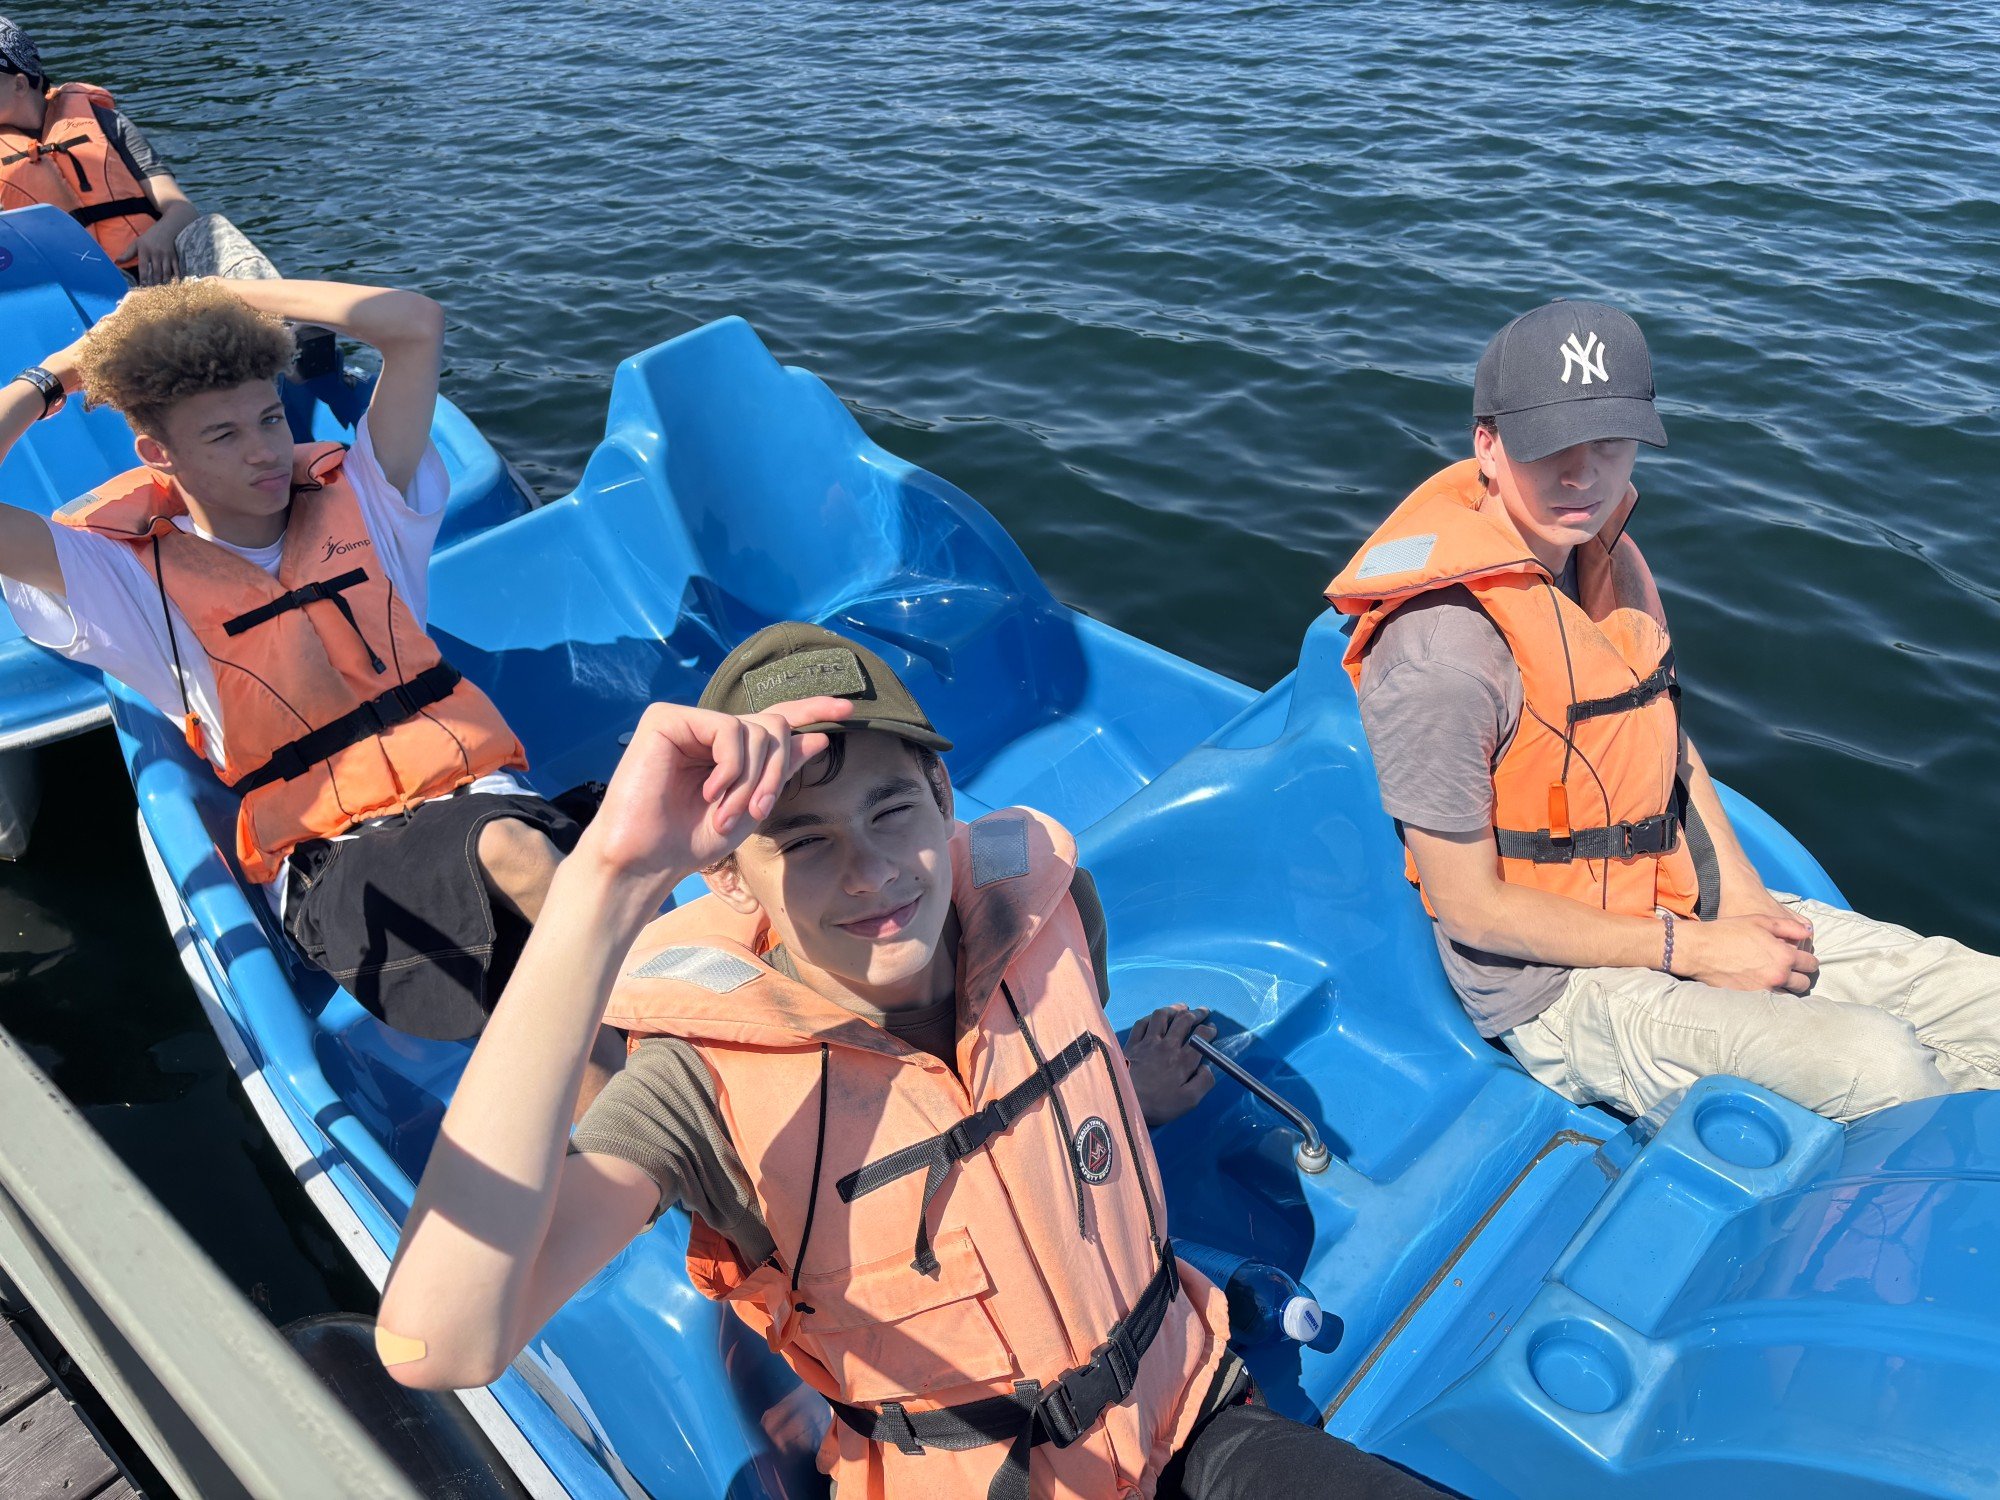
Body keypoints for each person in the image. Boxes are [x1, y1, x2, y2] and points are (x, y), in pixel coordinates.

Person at [378, 624, 1444, 1500]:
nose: (872, 870)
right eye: (804, 841)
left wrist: (1126, 1093)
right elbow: (439, 1344)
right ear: (733, 880)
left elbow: (1035, 1098)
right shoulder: (691, 1092)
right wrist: (606, 882)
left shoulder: (1051, 911)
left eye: (891, 807)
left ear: (943, 797)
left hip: (1189, 1416)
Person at [1327, 299, 2000, 1125]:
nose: (1583, 476)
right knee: (1884, 1067)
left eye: (1610, 442)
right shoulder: (1442, 654)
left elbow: (1664, 741)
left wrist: (1743, 897)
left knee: (1987, 1001)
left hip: (1669, 899)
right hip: (1557, 988)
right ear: (1489, 447)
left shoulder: (1593, 556)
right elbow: (1473, 907)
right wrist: (1696, 949)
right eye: (1551, 445)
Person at [0, 277, 623, 1106]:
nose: (263, 450)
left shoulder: (368, 497)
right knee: (519, 862)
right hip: (337, 857)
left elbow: (414, 324)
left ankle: (644, 1128)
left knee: (554, 957)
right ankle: (654, 1120)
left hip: (479, 795)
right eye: (222, 435)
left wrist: (220, 292)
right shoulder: (121, 582)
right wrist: (58, 373)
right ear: (158, 454)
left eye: (269, 419)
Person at [0, 16, 275, 284]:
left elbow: (180, 208)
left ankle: (274, 309)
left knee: (212, 229)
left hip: (157, 269)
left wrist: (161, 234)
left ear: (20, 84)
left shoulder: (106, 123)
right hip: (83, 287)